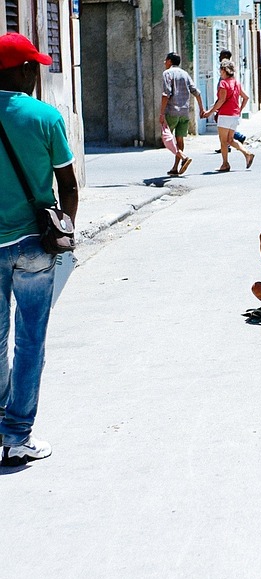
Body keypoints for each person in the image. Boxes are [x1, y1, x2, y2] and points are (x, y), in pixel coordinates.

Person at [0, 33, 78, 466]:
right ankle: (16, 436)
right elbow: (67, 186)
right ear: (24, 70)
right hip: (33, 243)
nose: (38, 74)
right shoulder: (45, 117)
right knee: (30, 342)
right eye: (35, 67)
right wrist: (64, 232)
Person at [159, 52, 204, 176]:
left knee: (167, 139)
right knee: (180, 139)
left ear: (169, 61)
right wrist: (201, 109)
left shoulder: (167, 74)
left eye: (165, 60)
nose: (164, 63)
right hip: (184, 112)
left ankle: (183, 157)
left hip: (171, 112)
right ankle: (175, 167)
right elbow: (196, 92)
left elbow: (165, 94)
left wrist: (162, 113)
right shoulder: (185, 74)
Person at [205, 59, 254, 172]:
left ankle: (225, 164)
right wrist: (240, 110)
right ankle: (247, 154)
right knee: (230, 140)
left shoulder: (223, 83)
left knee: (223, 141)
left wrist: (209, 112)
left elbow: (221, 100)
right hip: (235, 115)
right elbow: (245, 97)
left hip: (225, 115)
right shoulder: (236, 82)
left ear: (223, 70)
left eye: (220, 69)